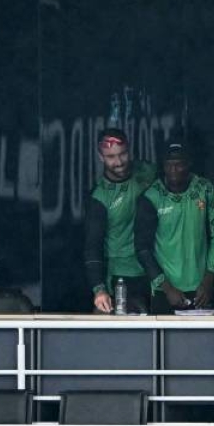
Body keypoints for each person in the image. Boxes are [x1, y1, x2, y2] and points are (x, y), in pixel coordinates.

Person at [134, 142, 214, 315]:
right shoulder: (152, 197)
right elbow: (142, 248)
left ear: (189, 163)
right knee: (162, 341)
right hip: (164, 290)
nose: (174, 169)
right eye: (169, 164)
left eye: (179, 163)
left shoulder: (205, 189)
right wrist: (166, 287)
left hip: (201, 289)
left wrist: (209, 278)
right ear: (163, 165)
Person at [83, 128, 156, 313]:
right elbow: (92, 246)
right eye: (111, 157)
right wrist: (99, 290)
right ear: (101, 157)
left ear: (129, 150)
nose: (119, 162)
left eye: (123, 154)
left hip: (155, 270)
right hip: (120, 275)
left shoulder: (147, 171)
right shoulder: (99, 197)